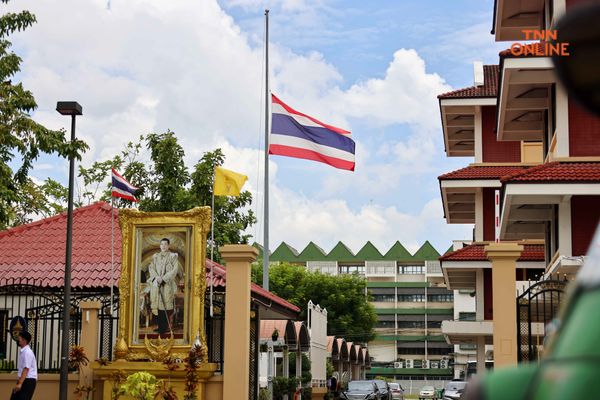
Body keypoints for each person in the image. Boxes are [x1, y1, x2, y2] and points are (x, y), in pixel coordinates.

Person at [148, 238, 179, 336]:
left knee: (165, 305)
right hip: (157, 284)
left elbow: (174, 270)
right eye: (161, 244)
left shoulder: (173, 256)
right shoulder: (156, 257)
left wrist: (164, 278)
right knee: (158, 306)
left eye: (165, 244)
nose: (163, 246)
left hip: (167, 284)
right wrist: (156, 277)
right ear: (160, 246)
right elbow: (151, 267)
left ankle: (164, 328)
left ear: (168, 246)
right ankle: (160, 327)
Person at [11, 331, 37, 400]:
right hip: (24, 380)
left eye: (19, 338)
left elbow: (26, 368)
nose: (18, 339)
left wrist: (20, 383)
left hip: (28, 381)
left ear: (24, 340)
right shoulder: (24, 351)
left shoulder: (27, 352)